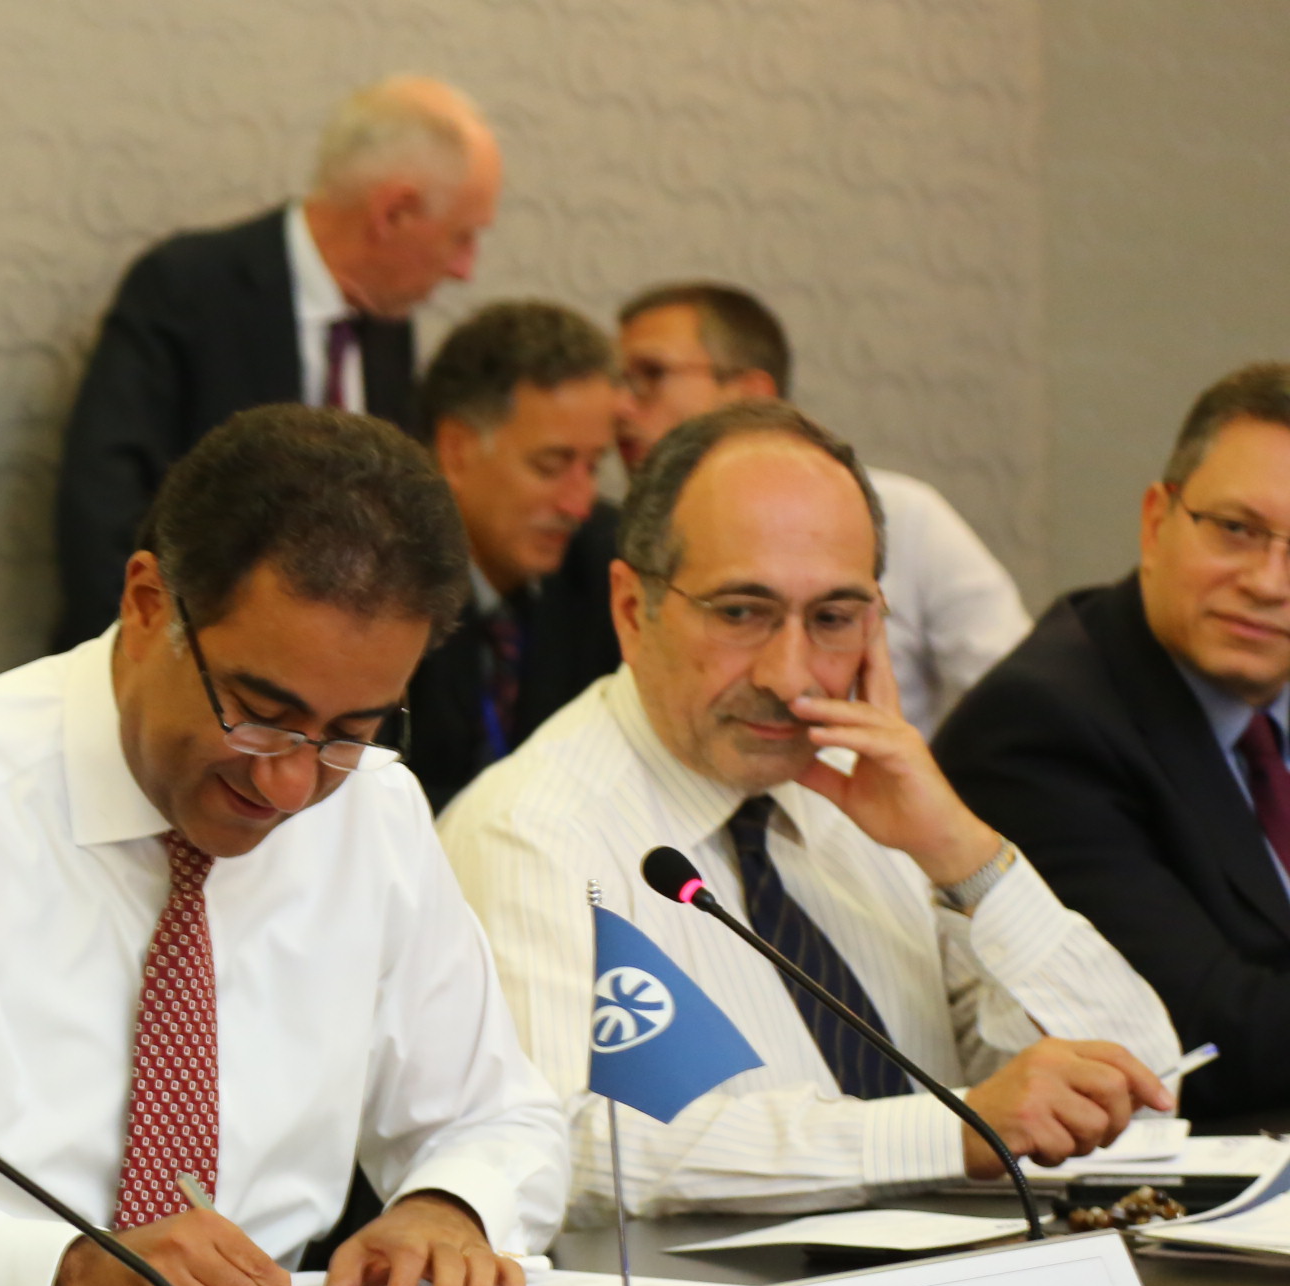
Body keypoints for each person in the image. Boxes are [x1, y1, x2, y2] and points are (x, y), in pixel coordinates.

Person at [0, 406, 568, 1286]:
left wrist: (449, 1207)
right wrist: (72, 1273)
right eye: (258, 712)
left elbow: (498, 1114)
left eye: (350, 731)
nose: (292, 783)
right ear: (151, 602)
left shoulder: (373, 812)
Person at [438, 401, 1176, 1220]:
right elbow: (566, 1150)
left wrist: (964, 856)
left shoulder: (865, 801)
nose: (791, 677)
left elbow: (1145, 1088)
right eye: (740, 613)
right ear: (632, 610)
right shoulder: (530, 832)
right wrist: (950, 1132)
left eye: (832, 620)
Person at [936, 364, 1290, 1120]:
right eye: (1237, 529)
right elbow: (1204, 1041)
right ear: (1156, 522)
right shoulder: (1039, 725)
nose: (1268, 581)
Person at [47, 76, 502, 651]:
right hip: (173, 663)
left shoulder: (388, 327)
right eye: (462, 237)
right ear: (394, 212)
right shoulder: (190, 288)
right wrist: (163, 668)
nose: (465, 269)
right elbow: (100, 508)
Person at [611, 282, 1027, 733]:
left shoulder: (907, 517)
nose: (619, 407)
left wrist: (920, 776)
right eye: (736, 613)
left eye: (650, 375)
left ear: (751, 394)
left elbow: (1022, 705)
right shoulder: (607, 533)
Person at [407, 300, 624, 810]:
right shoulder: (375, 582)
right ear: (457, 450)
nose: (578, 504)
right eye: (551, 466)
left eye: (593, 467)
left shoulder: (609, 567)